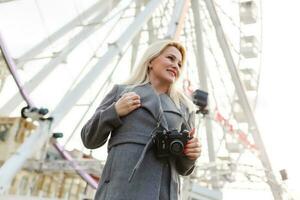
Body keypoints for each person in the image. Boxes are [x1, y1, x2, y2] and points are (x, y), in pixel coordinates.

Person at [81, 40, 202, 200]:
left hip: (162, 192)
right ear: (151, 60)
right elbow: (89, 138)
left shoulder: (185, 107)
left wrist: (191, 154)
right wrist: (115, 111)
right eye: (170, 58)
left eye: (180, 64)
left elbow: (183, 168)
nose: (176, 66)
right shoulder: (121, 92)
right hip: (119, 189)